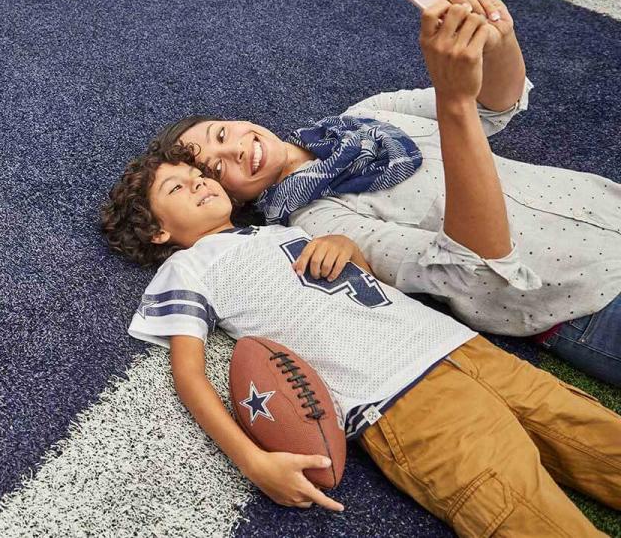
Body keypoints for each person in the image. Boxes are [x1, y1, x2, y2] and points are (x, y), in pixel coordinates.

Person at [99, 139, 621, 537]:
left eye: (196, 174)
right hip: (397, 400)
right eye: (177, 189)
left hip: (460, 348)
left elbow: (362, 283)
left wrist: (346, 244)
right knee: (527, 513)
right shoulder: (189, 268)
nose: (197, 183)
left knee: (600, 438)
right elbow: (187, 374)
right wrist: (251, 459)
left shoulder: (283, 229)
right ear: (157, 233)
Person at [157, 0, 621, 386]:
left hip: (603, 208)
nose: (233, 150)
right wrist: (454, 101)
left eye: (221, 134)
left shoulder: (363, 115)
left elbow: (493, 106)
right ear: (232, 199)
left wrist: (500, 39)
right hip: (580, 296)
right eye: (216, 170)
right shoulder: (316, 222)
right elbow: (473, 264)